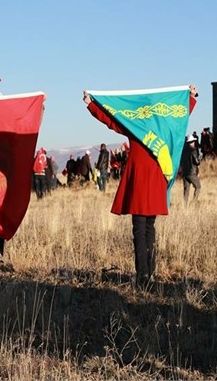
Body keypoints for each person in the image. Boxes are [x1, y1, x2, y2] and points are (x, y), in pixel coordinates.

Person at [84, 85, 198, 287]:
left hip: (137, 179)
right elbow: (179, 116)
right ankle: (149, 272)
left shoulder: (134, 124)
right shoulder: (163, 124)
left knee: (139, 229)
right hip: (155, 179)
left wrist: (92, 105)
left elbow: (111, 120)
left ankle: (143, 274)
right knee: (149, 227)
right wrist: (190, 98)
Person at [180, 135, 201, 205]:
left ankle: (185, 205)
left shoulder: (183, 151)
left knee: (186, 190)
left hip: (184, 173)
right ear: (192, 142)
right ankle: (193, 202)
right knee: (198, 186)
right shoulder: (193, 150)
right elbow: (196, 162)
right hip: (191, 172)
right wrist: (200, 158)